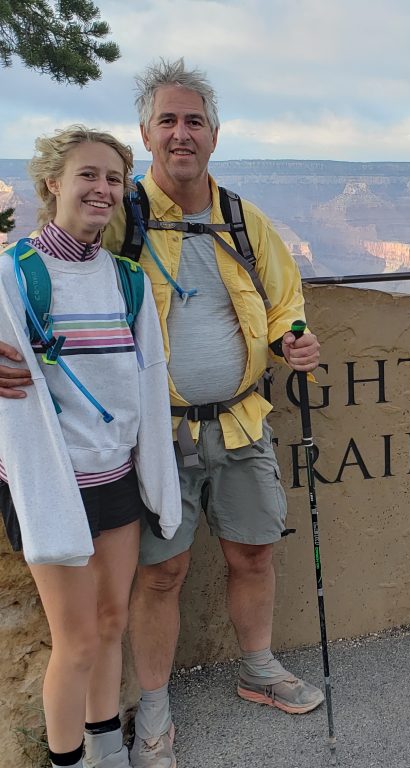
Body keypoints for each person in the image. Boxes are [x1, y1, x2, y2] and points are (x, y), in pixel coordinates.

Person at [0, 59, 324, 767]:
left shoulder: (242, 218)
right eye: (168, 121)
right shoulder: (120, 218)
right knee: (162, 575)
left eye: (195, 121)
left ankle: (259, 668)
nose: (182, 134)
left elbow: (283, 297)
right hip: (152, 437)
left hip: (241, 420)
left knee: (254, 551)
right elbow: (42, 277)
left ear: (214, 134)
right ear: (146, 133)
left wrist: (290, 337)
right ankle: (153, 708)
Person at [0, 127, 180, 768]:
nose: (103, 190)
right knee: (74, 641)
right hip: (52, 484)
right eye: (88, 175)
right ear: (52, 183)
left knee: (109, 625)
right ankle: (67, 761)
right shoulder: (13, 275)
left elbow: (148, 383)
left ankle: (107, 750)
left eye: (113, 179)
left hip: (116, 479)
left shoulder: (126, 281)